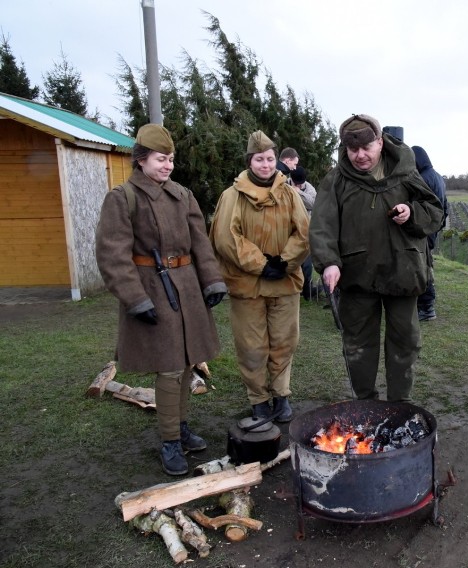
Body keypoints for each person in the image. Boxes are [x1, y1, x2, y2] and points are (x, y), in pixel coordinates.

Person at [95, 123, 227, 476]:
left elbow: (200, 241)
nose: (167, 165)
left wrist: (212, 280)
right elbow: (113, 255)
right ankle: (170, 441)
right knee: (169, 367)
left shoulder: (182, 195)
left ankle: (180, 428)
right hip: (151, 289)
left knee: (186, 363)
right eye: (160, 159)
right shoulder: (123, 198)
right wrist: (134, 298)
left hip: (186, 289)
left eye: (170, 159)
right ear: (141, 160)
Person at [310, 114, 443, 401]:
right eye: (352, 150)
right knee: (358, 343)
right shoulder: (336, 181)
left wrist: (411, 213)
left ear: (380, 143)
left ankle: (400, 403)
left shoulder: (406, 171)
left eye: (366, 148)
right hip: (357, 275)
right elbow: (322, 225)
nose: (359, 156)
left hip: (403, 271)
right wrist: (329, 262)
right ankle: (366, 402)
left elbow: (434, 213)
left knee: (404, 341)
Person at [209, 131, 310, 422]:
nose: (265, 165)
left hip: (285, 281)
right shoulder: (232, 196)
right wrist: (261, 265)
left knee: (284, 341)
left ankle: (281, 395)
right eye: (259, 159)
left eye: (269, 159)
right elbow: (226, 237)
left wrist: (285, 262)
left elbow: (303, 232)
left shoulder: (290, 194)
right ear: (249, 161)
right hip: (247, 284)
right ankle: (259, 399)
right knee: (252, 347)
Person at [411, 145, 449, 322]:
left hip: (424, 230)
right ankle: (424, 306)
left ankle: (427, 308)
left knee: (423, 267)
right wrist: (437, 228)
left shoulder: (423, 178)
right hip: (432, 229)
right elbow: (445, 208)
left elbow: (421, 206)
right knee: (425, 265)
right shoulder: (438, 177)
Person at [289, 165, 318, 299]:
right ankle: (291, 289)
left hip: (305, 232)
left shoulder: (310, 188)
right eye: (297, 183)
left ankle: (307, 291)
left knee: (306, 264)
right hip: (288, 231)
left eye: (301, 184)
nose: (299, 185)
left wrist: (298, 192)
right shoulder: (284, 184)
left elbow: (313, 204)